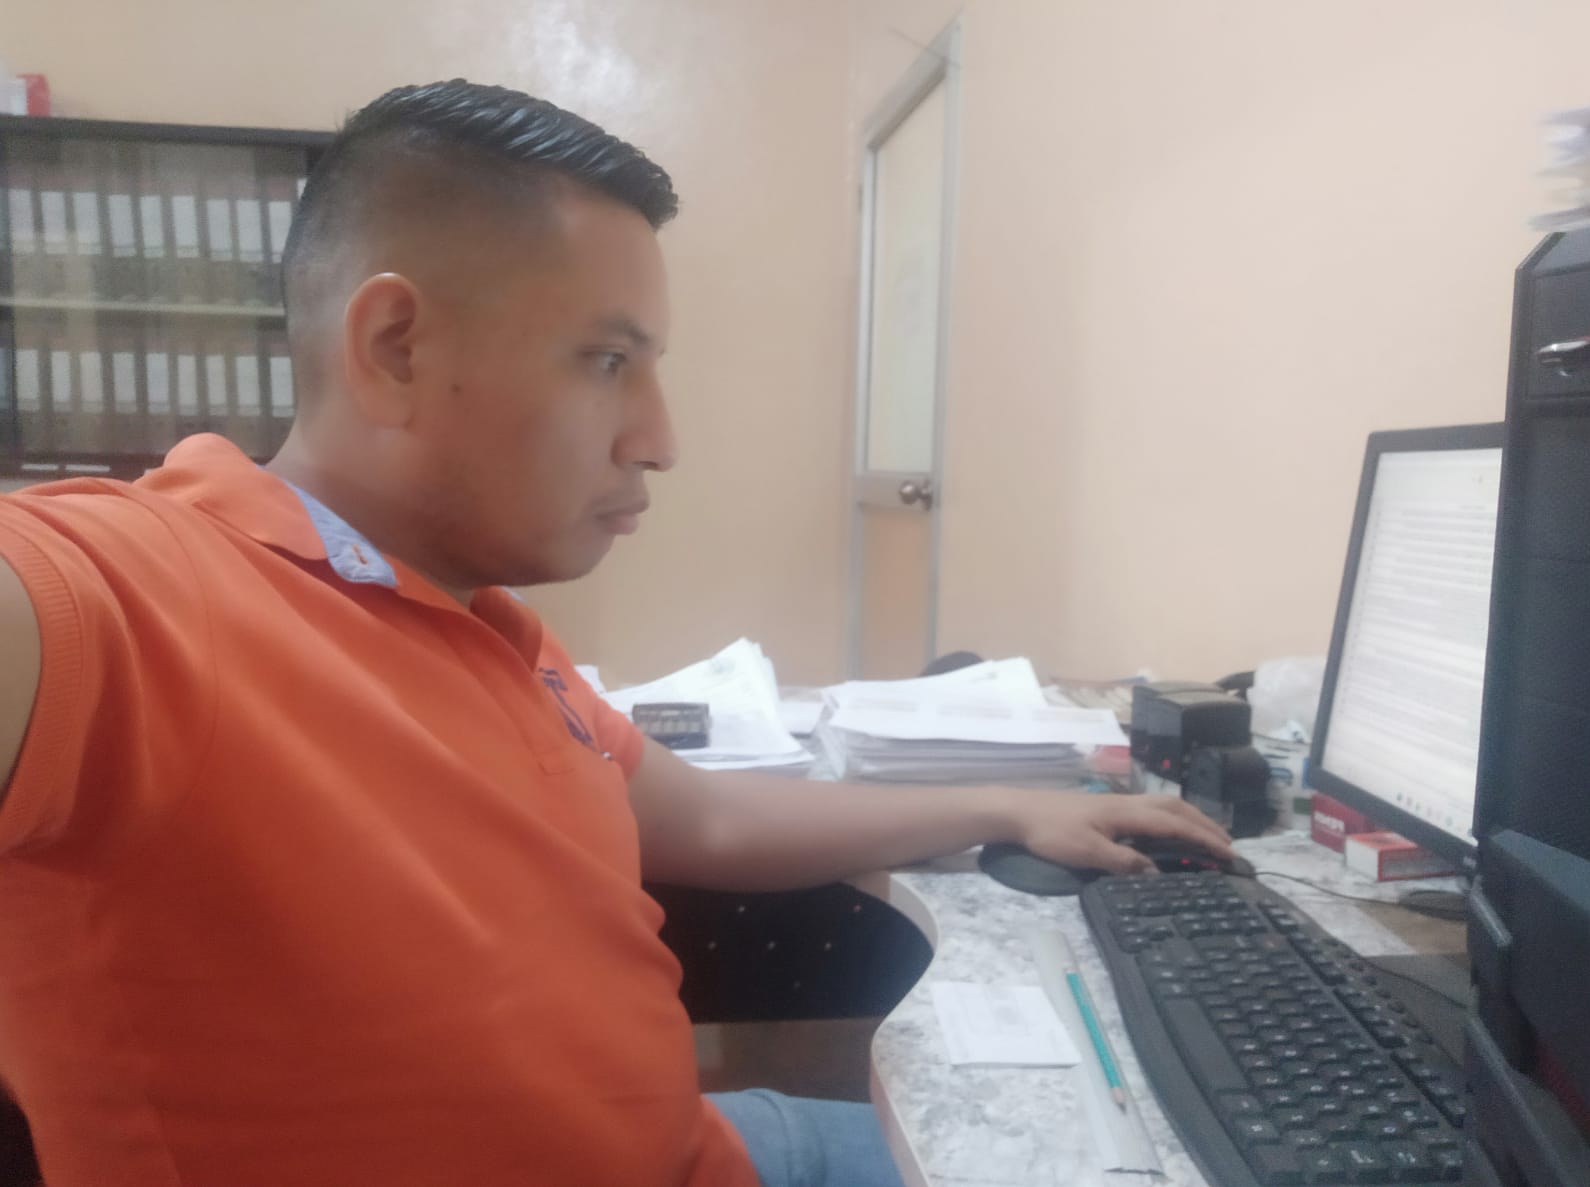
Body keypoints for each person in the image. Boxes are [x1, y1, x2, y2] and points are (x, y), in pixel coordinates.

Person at [0, 80, 1232, 1187]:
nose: (659, 437)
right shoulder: (143, 595)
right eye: (605, 360)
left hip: (703, 1148)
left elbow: (714, 819)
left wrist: (1008, 805)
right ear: (394, 348)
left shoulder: (482, 618)